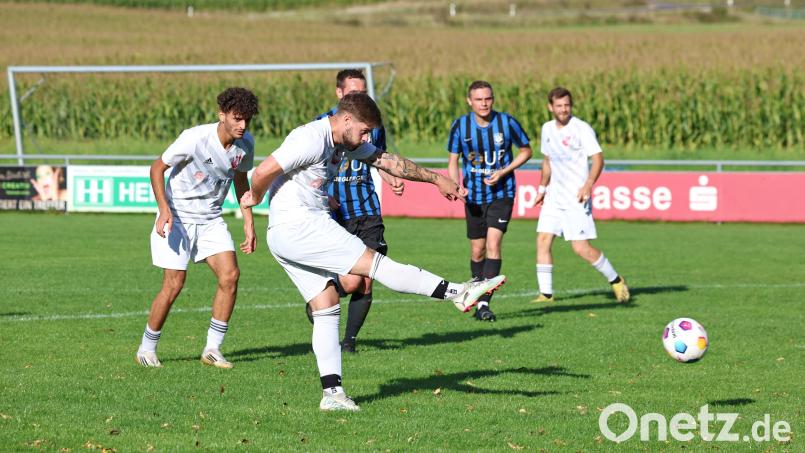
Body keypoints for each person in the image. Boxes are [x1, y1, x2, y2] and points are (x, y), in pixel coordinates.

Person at [241, 92, 506, 411]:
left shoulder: (343, 140)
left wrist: (437, 179)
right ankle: (458, 293)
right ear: (347, 119)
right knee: (377, 266)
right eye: (365, 131)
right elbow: (263, 171)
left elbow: (388, 161)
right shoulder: (310, 138)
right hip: (301, 226)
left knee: (326, 307)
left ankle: (332, 395)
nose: (367, 138)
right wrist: (253, 197)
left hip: (287, 233)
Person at [135, 87, 259, 369]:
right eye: (237, 119)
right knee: (174, 285)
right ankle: (146, 347)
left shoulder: (246, 144)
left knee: (230, 275)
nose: (242, 126)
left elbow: (241, 181)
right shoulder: (195, 138)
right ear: (222, 115)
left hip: (211, 219)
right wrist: (164, 209)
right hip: (178, 217)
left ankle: (212, 349)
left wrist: (249, 223)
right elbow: (157, 168)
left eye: (247, 120)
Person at [304, 69, 405, 353]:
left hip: (367, 208)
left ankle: (348, 343)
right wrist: (325, 195)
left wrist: (391, 177)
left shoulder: (372, 123)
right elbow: (309, 171)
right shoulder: (320, 125)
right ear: (339, 94)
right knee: (351, 279)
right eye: (352, 93)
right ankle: (320, 303)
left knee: (368, 279)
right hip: (335, 213)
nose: (358, 97)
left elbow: (378, 159)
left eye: (362, 93)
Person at [531, 86, 629, 304]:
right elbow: (547, 162)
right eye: (559, 106)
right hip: (554, 197)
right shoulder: (547, 129)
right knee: (543, 240)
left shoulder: (581, 128)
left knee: (580, 248)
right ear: (550, 107)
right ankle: (546, 294)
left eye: (567, 105)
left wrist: (588, 184)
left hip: (577, 197)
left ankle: (615, 279)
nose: (564, 109)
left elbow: (598, 158)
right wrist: (541, 190)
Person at [447, 81, 533, 322]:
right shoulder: (460, 126)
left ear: (493, 99)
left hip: (501, 194)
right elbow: (453, 160)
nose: (484, 103)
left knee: (494, 244)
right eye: (479, 99)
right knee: (478, 251)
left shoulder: (507, 123)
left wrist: (504, 171)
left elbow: (527, 150)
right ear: (469, 101)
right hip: (473, 196)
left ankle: (483, 304)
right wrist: (456, 186)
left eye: (488, 99)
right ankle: (476, 295)